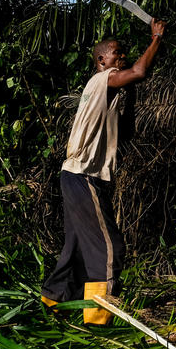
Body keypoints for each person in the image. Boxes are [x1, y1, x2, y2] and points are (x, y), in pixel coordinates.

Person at [41, 17, 167, 325]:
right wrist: (156, 39)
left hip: (72, 175)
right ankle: (98, 320)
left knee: (77, 248)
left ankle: (52, 305)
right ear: (102, 61)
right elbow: (139, 70)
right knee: (110, 247)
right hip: (84, 177)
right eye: (116, 54)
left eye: (123, 54)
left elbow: (125, 132)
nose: (121, 58)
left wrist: (132, 92)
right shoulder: (103, 79)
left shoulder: (102, 92)